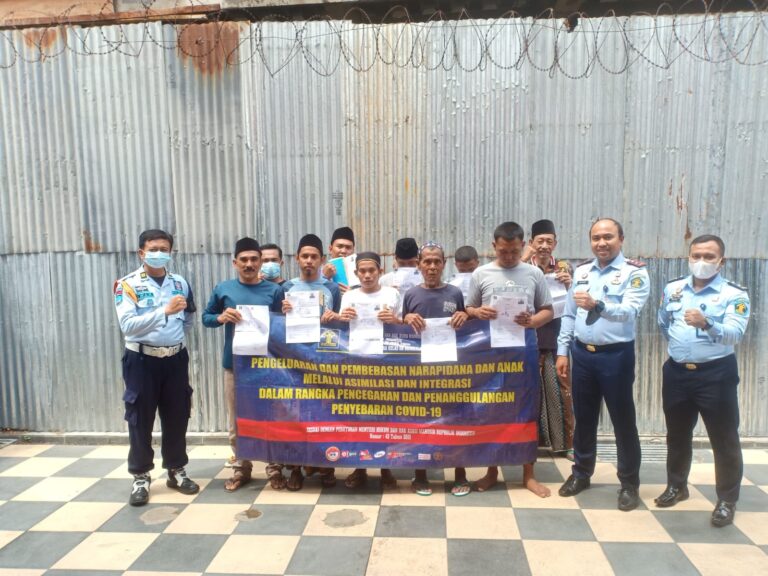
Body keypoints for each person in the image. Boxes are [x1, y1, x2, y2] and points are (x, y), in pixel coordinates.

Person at [655, 234, 750, 527]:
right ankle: (677, 486)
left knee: (724, 438)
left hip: (715, 375)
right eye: (696, 256)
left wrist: (707, 323)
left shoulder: (734, 294)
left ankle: (727, 500)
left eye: (709, 257)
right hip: (677, 373)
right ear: (688, 257)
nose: (701, 261)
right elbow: (663, 323)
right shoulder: (673, 289)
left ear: (721, 261)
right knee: (677, 434)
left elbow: (735, 334)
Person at [556, 218, 649, 511]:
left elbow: (630, 311)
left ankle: (629, 483)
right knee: (584, 418)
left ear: (621, 239)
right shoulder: (582, 271)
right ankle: (581, 473)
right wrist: (562, 351)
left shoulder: (634, 273)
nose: (602, 243)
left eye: (608, 237)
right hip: (582, 355)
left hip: (616, 356)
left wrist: (598, 305)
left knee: (623, 420)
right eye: (596, 238)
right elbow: (569, 314)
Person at [466, 222, 554, 497]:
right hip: (489, 354)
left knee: (526, 410)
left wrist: (533, 321)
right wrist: (478, 312)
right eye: (503, 251)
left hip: (523, 352)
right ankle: (491, 471)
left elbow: (548, 310)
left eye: (514, 252)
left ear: (523, 246)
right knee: (491, 410)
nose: (509, 257)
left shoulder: (533, 273)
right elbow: (468, 308)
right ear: (494, 246)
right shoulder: (481, 274)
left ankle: (529, 474)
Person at [113, 229, 199, 506]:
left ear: (171, 252)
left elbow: (189, 318)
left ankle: (176, 469)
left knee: (177, 414)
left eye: (164, 249)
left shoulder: (180, 283)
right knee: (140, 417)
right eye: (153, 249)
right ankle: (140, 475)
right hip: (141, 360)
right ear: (141, 253)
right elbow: (127, 326)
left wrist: (173, 338)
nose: (159, 253)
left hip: (175, 359)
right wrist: (164, 312)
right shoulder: (126, 285)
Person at [202, 238, 285, 491]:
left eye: (254, 259)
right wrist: (220, 317)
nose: (249, 264)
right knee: (236, 421)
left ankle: (274, 467)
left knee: (270, 418)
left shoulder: (274, 291)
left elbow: (282, 325)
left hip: (268, 366)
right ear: (234, 262)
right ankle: (241, 467)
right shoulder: (223, 289)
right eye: (244, 260)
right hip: (235, 366)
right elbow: (206, 318)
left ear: (260, 262)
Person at [330, 252, 402, 490]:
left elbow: (405, 325)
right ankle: (359, 467)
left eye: (372, 270)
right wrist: (341, 317)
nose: (368, 275)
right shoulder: (349, 296)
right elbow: (341, 329)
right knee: (358, 416)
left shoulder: (392, 294)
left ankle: (385, 468)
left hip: (385, 364)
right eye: (363, 271)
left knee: (385, 417)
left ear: (380, 271)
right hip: (357, 364)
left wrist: (394, 320)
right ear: (356, 273)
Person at [403, 242, 470, 496]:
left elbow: (466, 328)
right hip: (420, 372)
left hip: (450, 371)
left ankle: (460, 475)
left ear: (444, 264)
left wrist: (465, 316)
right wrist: (406, 318)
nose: (432, 267)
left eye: (437, 262)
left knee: (455, 421)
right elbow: (400, 329)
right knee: (421, 421)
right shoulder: (411, 295)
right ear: (419, 264)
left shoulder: (455, 293)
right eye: (427, 261)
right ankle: (420, 476)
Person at [281, 233, 342, 490]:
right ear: (297, 258)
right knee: (295, 415)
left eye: (313, 256)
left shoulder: (331, 288)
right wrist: (282, 314)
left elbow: (342, 325)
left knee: (324, 414)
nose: (309, 261)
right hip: (294, 363)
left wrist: (334, 317)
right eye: (304, 256)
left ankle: (327, 466)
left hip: (324, 361)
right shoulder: (286, 287)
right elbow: (275, 325)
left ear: (322, 259)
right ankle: (295, 468)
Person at [521, 220, 575, 459]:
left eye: (549, 241)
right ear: (531, 242)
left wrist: (570, 286)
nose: (544, 246)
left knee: (559, 392)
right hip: (526, 339)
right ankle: (528, 443)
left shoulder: (564, 268)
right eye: (539, 241)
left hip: (555, 339)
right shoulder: (522, 267)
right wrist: (523, 259)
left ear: (555, 243)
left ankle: (565, 444)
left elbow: (577, 304)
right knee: (528, 392)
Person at [322, 226, 356, 291]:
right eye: (339, 246)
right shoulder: (318, 274)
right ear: (330, 249)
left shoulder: (360, 273)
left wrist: (352, 294)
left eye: (348, 247)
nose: (343, 251)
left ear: (353, 250)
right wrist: (324, 279)